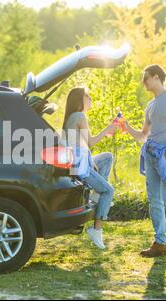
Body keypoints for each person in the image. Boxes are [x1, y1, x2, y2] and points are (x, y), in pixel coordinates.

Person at [124, 64, 166, 260]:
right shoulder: (150, 106)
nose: (143, 82)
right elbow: (143, 135)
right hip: (151, 157)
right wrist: (126, 127)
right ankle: (160, 244)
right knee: (154, 201)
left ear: (156, 77)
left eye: (145, 78)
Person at [62, 86, 118, 249]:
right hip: (80, 167)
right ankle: (96, 229)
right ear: (80, 100)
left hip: (80, 162)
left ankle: (95, 196)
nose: (90, 99)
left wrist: (88, 156)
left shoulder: (71, 117)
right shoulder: (80, 116)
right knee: (108, 191)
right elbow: (91, 142)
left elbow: (80, 145)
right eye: (87, 96)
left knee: (107, 157)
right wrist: (107, 130)